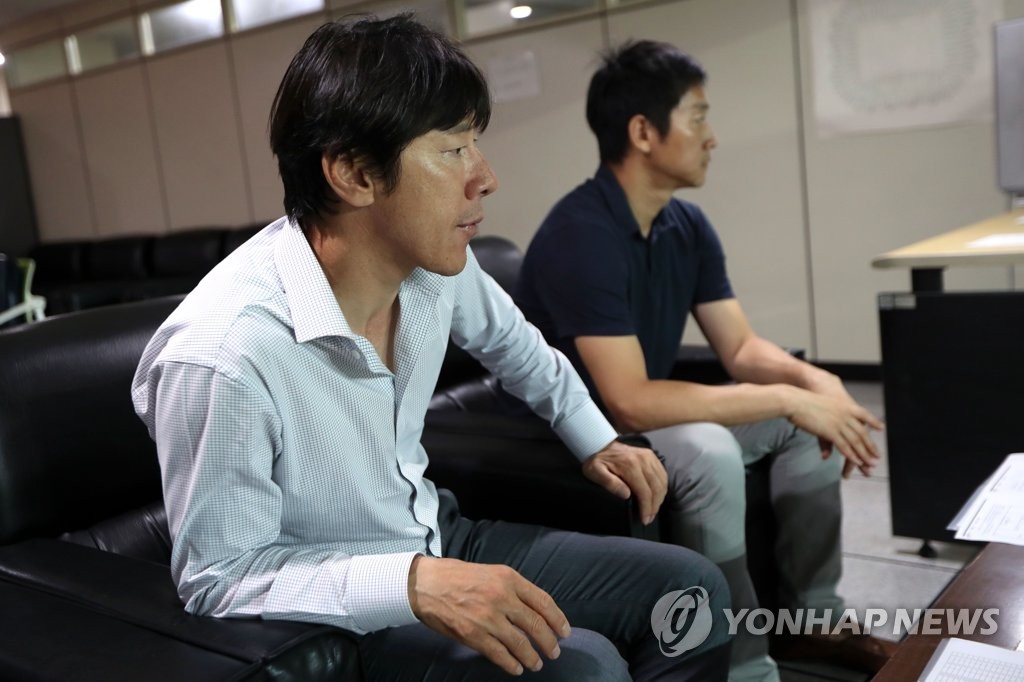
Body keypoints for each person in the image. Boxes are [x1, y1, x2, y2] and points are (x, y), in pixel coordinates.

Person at [131, 16, 733, 681]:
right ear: (354, 173)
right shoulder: (224, 353)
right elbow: (219, 579)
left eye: (476, 144)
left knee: (690, 590)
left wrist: (595, 438)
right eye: (453, 150)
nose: (486, 177)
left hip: (432, 534)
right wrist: (413, 584)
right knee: (583, 668)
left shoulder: (433, 265)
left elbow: (516, 346)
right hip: (336, 609)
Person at [511, 40, 898, 680]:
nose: (711, 137)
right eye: (697, 118)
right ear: (643, 132)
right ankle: (740, 669)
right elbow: (628, 401)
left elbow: (739, 348)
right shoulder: (580, 235)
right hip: (582, 440)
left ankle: (813, 625)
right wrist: (786, 396)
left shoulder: (685, 225)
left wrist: (814, 383)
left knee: (808, 424)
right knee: (711, 449)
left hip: (638, 419)